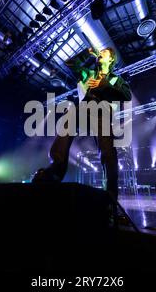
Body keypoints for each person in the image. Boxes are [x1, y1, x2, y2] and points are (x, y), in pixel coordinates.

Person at [32, 47, 132, 203]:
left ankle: (111, 196)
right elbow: (71, 63)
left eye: (104, 52)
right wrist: (87, 52)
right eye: (100, 52)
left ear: (111, 59)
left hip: (102, 114)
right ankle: (55, 170)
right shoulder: (89, 73)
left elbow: (127, 95)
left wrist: (105, 84)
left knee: (107, 151)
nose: (101, 53)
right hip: (84, 109)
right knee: (70, 115)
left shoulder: (115, 79)